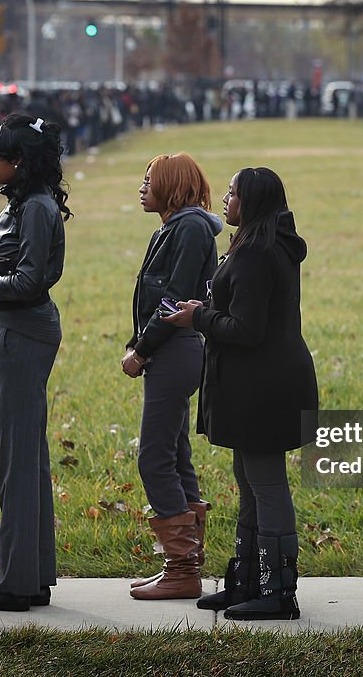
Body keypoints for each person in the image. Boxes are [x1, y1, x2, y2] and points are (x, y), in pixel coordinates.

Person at [163, 166, 317, 620]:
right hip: (257, 384)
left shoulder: (257, 252)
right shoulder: (256, 244)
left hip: (265, 388)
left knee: (266, 486)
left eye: (232, 194)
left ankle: (278, 591)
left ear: (252, 202)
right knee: (249, 484)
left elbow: (247, 330)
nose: (225, 200)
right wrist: (206, 310)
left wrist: (198, 318)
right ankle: (247, 582)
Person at [0, 114, 69, 612]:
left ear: (20, 161)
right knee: (26, 454)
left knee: (16, 460)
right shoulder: (27, 204)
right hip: (18, 329)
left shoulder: (35, 208)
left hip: (22, 330)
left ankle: (17, 582)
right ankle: (33, 574)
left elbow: (31, 281)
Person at [122, 152, 222, 601]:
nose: (142, 187)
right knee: (176, 455)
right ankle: (184, 567)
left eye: (150, 180)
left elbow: (175, 298)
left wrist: (141, 351)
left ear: (173, 185)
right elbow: (152, 295)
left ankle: (181, 568)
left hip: (176, 350)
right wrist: (135, 340)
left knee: (154, 457)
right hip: (168, 348)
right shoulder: (172, 226)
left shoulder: (190, 228)